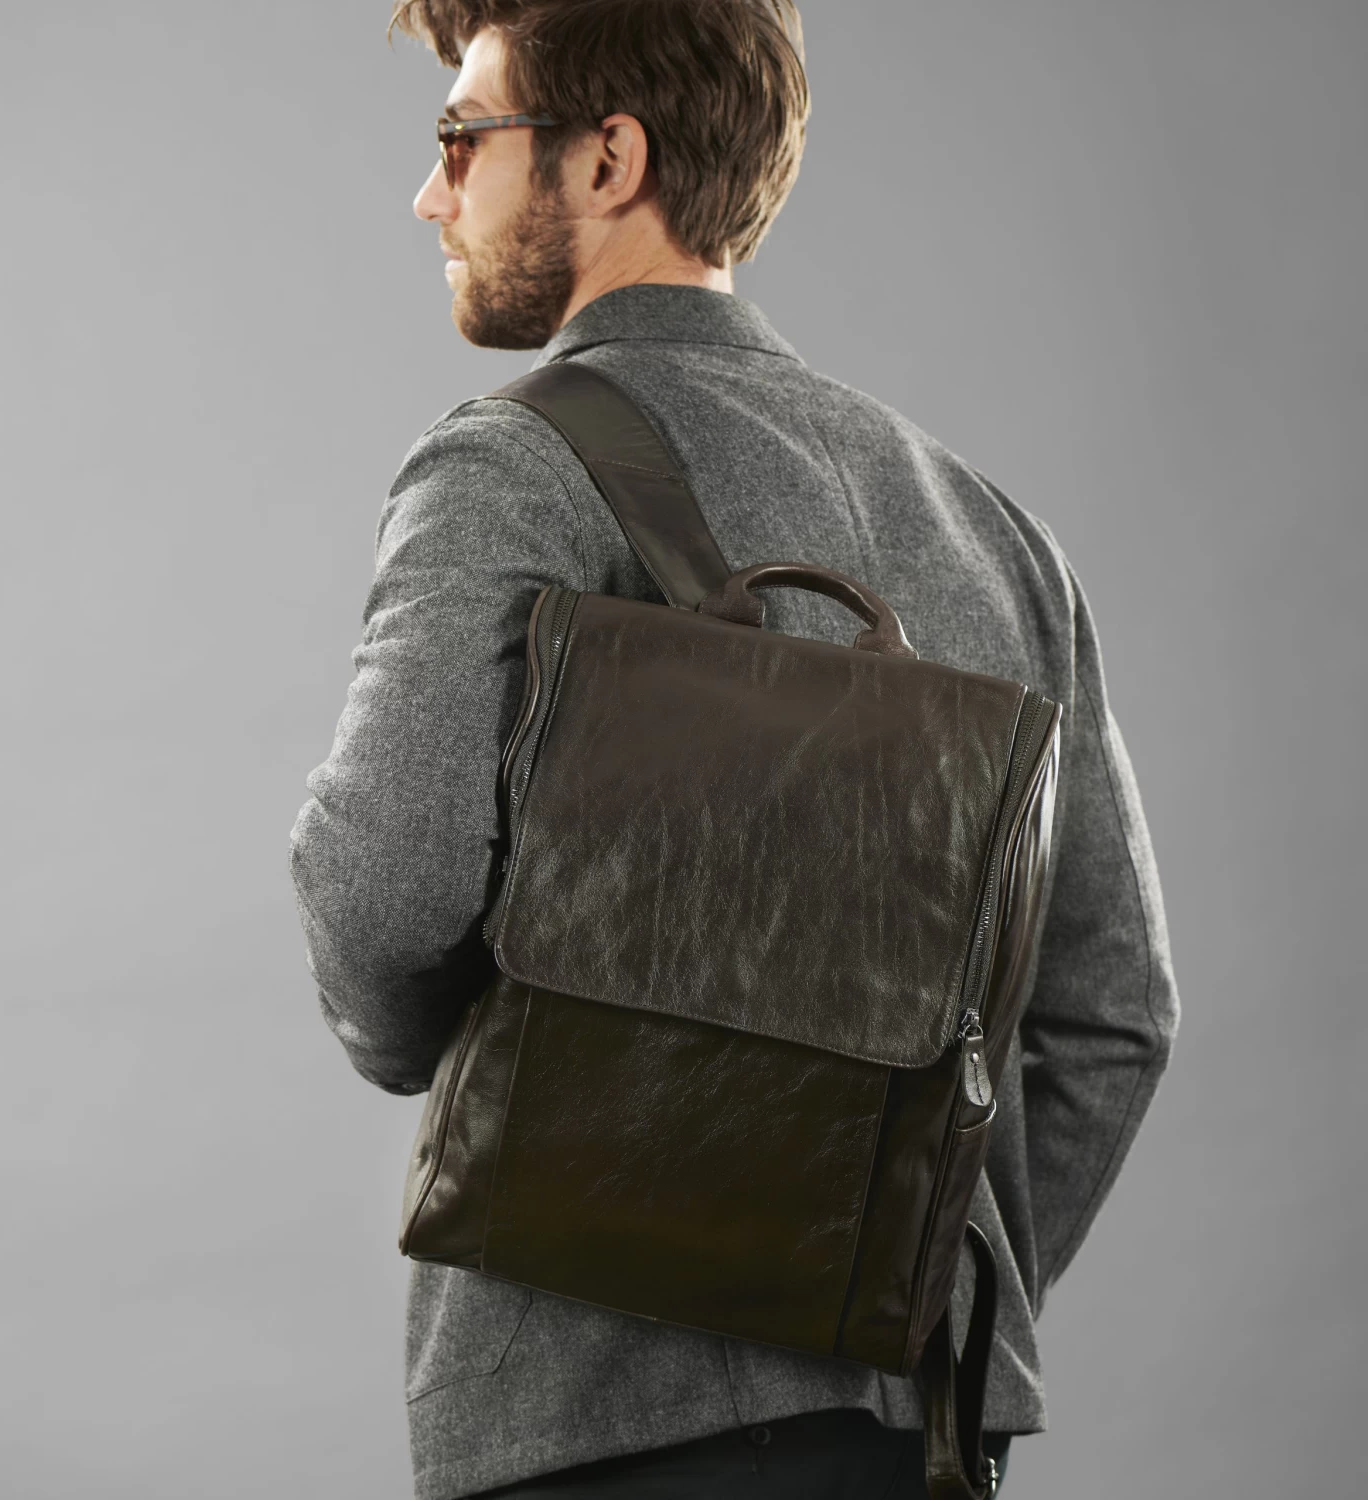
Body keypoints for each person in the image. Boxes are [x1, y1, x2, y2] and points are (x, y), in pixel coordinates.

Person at [288, 2, 1181, 1496]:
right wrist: (911, 1272)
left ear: (607, 160)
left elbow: (382, 888)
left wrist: (404, 1052)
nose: (430, 194)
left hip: (592, 1412)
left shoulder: (510, 466)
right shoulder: (997, 535)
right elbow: (1116, 1013)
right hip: (914, 1441)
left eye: (462, 137)